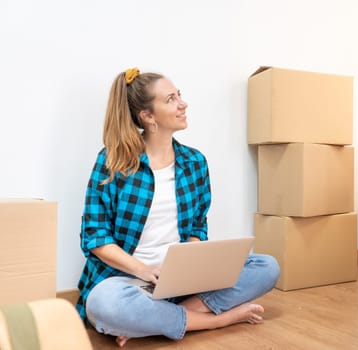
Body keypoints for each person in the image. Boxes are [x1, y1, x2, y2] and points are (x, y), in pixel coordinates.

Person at [76, 68, 280, 347]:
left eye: (179, 96)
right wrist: (145, 272)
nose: (183, 104)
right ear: (148, 116)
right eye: (171, 99)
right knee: (105, 304)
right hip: (127, 281)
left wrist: (190, 264)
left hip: (180, 285)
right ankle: (217, 319)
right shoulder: (113, 162)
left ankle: (155, 320)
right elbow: (95, 237)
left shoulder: (195, 162)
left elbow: (197, 226)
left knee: (267, 266)